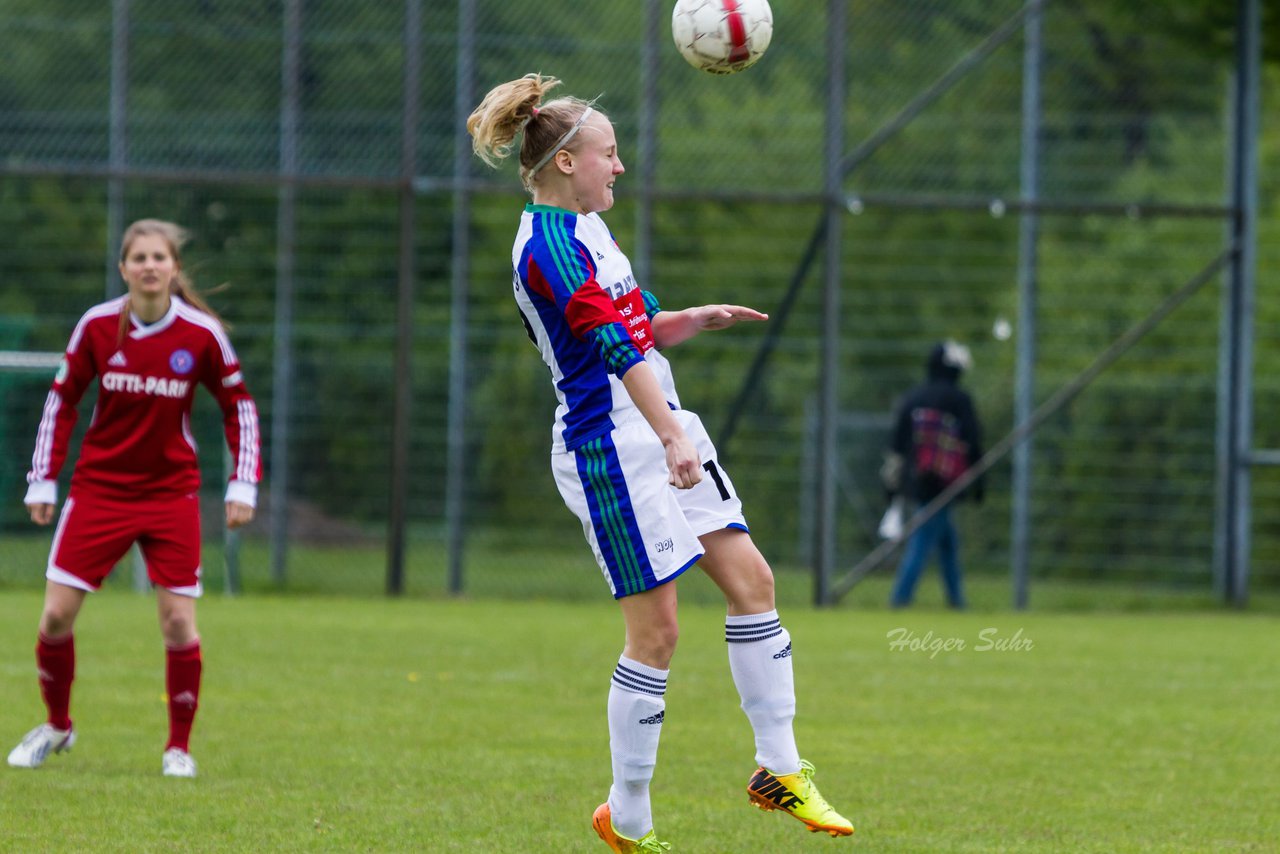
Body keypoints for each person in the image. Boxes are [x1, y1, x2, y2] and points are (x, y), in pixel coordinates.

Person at [467, 74, 854, 851]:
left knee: (754, 584)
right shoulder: (545, 246)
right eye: (610, 154)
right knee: (658, 635)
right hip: (608, 448)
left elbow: (633, 323)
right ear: (569, 162)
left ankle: (779, 769)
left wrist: (686, 320)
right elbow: (609, 345)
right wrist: (671, 435)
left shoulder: (588, 229)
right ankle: (629, 815)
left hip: (660, 423)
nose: (620, 167)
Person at [8, 219, 261, 779]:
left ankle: (178, 749)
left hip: (171, 494)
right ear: (124, 269)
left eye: (159, 257)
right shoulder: (98, 326)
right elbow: (62, 401)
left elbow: (238, 405)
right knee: (54, 617)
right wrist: (42, 480)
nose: (150, 266)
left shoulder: (201, 334)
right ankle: (57, 726)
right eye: (139, 258)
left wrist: (243, 485)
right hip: (99, 490)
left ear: (174, 268)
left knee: (177, 624)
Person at [882, 341, 983, 609]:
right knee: (923, 539)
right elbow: (973, 441)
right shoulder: (960, 400)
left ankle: (957, 601)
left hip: (918, 480)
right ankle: (900, 599)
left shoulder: (913, 398)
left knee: (946, 541)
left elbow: (897, 447)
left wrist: (892, 486)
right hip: (948, 482)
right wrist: (978, 483)